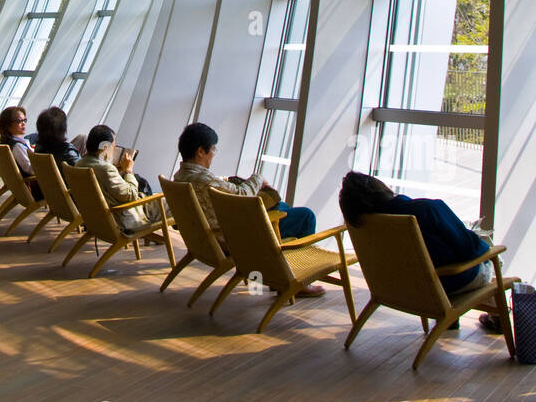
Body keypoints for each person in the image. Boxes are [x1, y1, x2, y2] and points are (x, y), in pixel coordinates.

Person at [173, 121, 324, 295]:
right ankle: (297, 281)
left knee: (281, 207)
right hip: (235, 241)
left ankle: (282, 277)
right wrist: (258, 178)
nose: (214, 154)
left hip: (208, 239)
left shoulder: (180, 177)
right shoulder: (203, 180)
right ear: (200, 151)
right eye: (213, 149)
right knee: (306, 216)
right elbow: (243, 193)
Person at [338, 171, 497, 329]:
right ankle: (496, 317)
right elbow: (471, 248)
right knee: (492, 259)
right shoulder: (427, 209)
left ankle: (452, 318)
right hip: (444, 285)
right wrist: (483, 246)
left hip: (399, 288)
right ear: (380, 188)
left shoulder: (364, 226)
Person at [76, 124, 161, 234]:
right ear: (105, 148)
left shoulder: (79, 164)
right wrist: (128, 171)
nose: (113, 149)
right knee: (167, 203)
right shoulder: (105, 169)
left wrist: (116, 172)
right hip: (121, 220)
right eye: (113, 146)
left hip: (94, 218)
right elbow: (131, 195)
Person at [33, 106, 81, 173]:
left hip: (49, 182)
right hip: (68, 182)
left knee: (82, 138)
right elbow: (83, 173)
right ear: (62, 128)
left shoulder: (38, 147)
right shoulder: (68, 151)